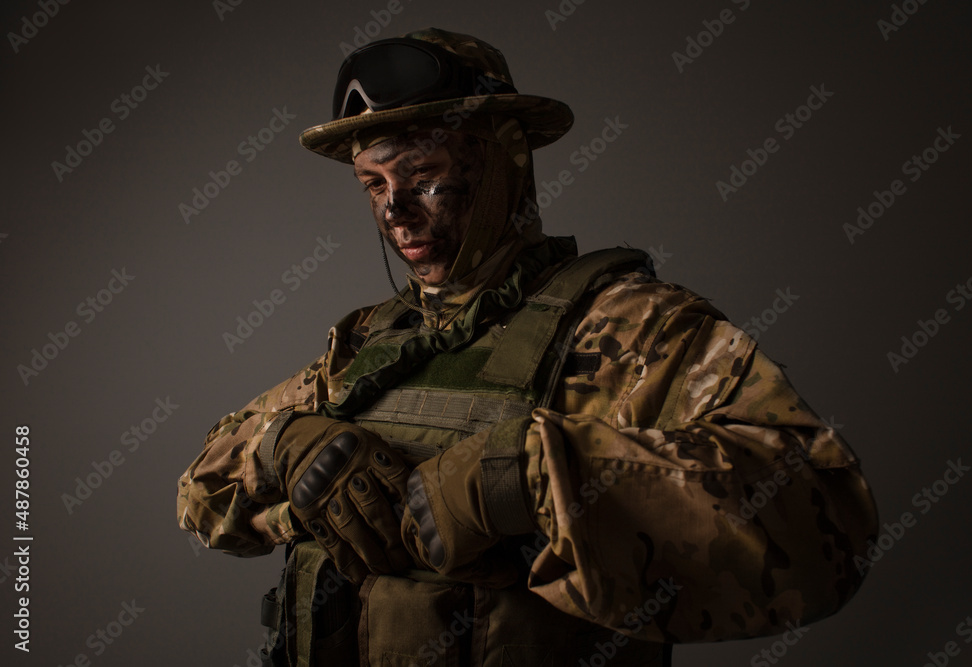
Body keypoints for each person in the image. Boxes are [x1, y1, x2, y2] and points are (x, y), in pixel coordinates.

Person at [177, 27, 878, 667]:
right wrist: (280, 445)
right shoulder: (368, 342)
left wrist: (530, 477)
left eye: (422, 176)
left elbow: (826, 526)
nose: (394, 209)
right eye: (374, 184)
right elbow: (200, 493)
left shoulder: (632, 327)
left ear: (505, 160)